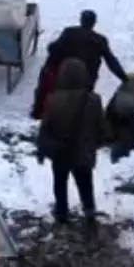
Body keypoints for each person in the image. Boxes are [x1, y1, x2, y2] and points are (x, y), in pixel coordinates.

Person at [35, 57, 109, 230]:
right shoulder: (93, 100)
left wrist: (43, 148)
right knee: (85, 182)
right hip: (83, 152)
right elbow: (102, 129)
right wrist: (93, 143)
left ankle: (62, 214)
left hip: (60, 152)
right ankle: (89, 211)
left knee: (60, 182)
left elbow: (46, 127)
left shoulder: (53, 100)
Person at [30, 9, 129, 119]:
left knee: (46, 76)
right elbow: (111, 61)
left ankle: (38, 112)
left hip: (64, 77)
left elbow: (54, 49)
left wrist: (51, 47)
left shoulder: (69, 32)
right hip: (87, 81)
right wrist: (124, 78)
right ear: (94, 23)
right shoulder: (100, 40)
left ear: (81, 20)